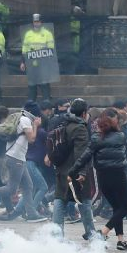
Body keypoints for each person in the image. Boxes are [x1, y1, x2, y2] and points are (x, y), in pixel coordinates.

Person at [68, 108, 127, 250]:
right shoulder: (121, 136)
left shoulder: (96, 137)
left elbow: (85, 156)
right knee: (124, 208)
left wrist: (73, 170)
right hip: (118, 175)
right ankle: (102, 233)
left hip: (103, 176)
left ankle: (121, 240)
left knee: (117, 208)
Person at [48, 98, 96, 241]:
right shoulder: (80, 128)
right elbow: (81, 153)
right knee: (85, 201)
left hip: (61, 169)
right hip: (75, 171)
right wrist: (81, 172)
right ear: (84, 113)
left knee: (60, 199)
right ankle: (92, 234)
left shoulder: (64, 123)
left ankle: (56, 236)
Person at [0, 101, 47, 223]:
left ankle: (31, 214)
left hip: (19, 158)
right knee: (12, 189)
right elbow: (31, 139)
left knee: (28, 186)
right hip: (15, 158)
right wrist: (36, 125)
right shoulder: (25, 120)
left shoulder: (23, 118)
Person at [21, 13, 55, 102]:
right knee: (32, 85)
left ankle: (47, 103)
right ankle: (31, 103)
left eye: (38, 21)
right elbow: (25, 49)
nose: (36, 23)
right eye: (35, 22)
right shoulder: (28, 34)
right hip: (31, 64)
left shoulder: (47, 34)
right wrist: (22, 62)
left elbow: (50, 49)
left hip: (43, 63)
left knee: (44, 84)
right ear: (33, 22)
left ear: (41, 22)